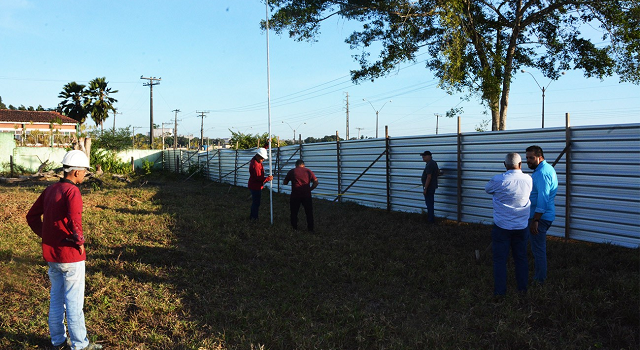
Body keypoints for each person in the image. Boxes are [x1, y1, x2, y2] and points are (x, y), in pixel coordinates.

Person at [25, 150, 103, 350]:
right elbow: (75, 220)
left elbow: (31, 216)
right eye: (85, 171)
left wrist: (46, 236)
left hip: (52, 256)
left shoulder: (50, 189)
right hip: (70, 255)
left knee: (57, 299)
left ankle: (58, 340)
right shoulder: (72, 191)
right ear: (76, 172)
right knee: (74, 302)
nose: (85, 175)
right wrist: (79, 241)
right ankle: (80, 344)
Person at [485, 153, 533, 295]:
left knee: (500, 260)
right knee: (521, 258)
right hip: (521, 226)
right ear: (521, 164)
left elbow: (487, 189)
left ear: (504, 164)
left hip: (502, 226)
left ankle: (500, 293)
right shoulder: (528, 179)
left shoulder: (498, 180)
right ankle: (522, 289)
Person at [525, 145, 558, 285]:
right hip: (541, 215)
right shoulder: (545, 169)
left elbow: (543, 198)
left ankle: (540, 281)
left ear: (540, 157)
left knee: (538, 250)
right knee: (536, 248)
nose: (528, 161)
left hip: (540, 217)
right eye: (526, 158)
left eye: (531, 158)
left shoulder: (542, 173)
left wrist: (536, 220)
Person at [283, 159, 318, 231]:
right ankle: (310, 229)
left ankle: (294, 227)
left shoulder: (292, 171)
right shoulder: (308, 171)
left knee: (294, 212)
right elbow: (316, 182)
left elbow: (285, 182)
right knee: (309, 213)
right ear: (303, 165)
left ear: (296, 165)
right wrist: (310, 189)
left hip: (295, 195)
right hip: (306, 195)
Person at [248, 147, 274, 221]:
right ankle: (254, 218)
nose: (263, 160)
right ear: (258, 156)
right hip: (255, 186)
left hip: (255, 185)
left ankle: (252, 216)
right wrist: (268, 179)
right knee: (256, 203)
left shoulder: (255, 159)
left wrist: (266, 145)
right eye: (262, 158)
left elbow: (262, 150)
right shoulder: (255, 165)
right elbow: (258, 178)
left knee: (255, 202)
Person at [420, 150, 440, 223]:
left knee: (429, 203)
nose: (423, 157)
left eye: (424, 156)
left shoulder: (429, 164)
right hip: (432, 186)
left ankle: (430, 220)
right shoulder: (433, 163)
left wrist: (425, 188)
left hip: (429, 187)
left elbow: (429, 177)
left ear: (429, 156)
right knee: (430, 203)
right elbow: (438, 172)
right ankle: (430, 218)